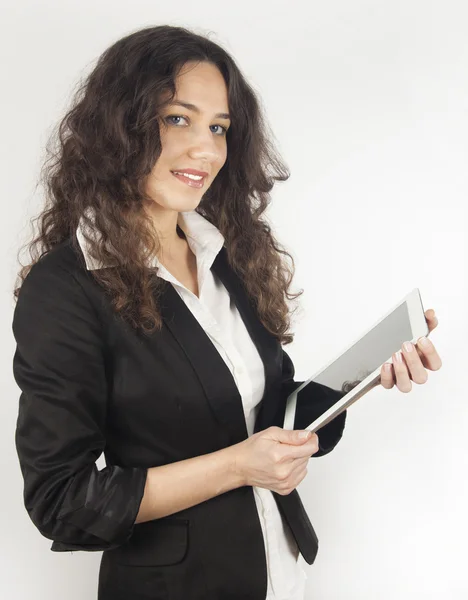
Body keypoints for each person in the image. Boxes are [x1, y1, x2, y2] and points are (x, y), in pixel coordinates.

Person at [12, 25, 442, 600]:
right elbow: (61, 500)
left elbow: (268, 413)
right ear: (120, 128)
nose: (207, 149)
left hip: (282, 574)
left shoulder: (223, 252)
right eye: (177, 119)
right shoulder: (67, 287)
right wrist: (239, 467)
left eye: (219, 128)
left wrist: (364, 377)